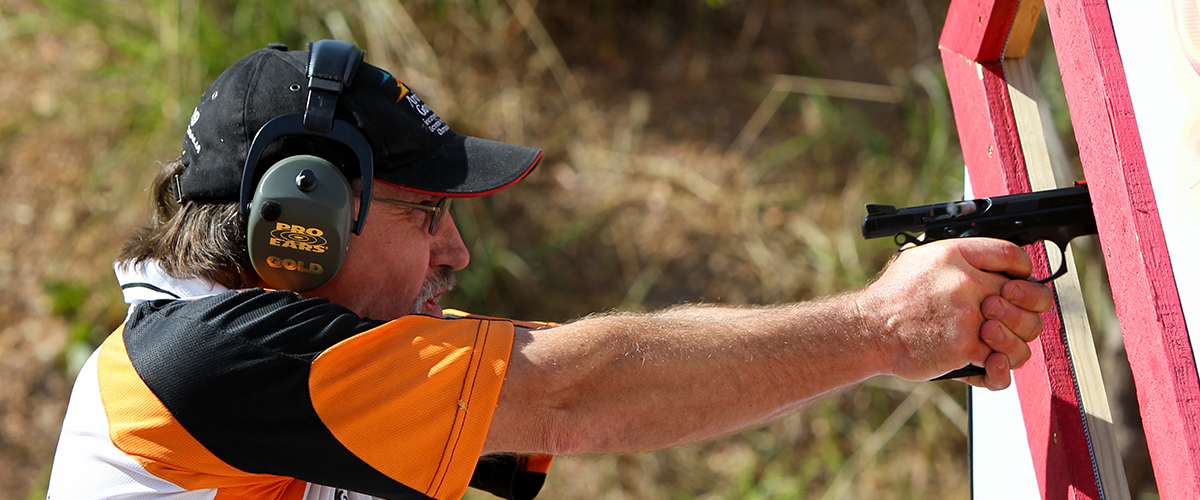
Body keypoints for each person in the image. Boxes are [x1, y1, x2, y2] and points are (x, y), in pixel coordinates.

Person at [46, 41, 1053, 500]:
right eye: (427, 213)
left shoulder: (286, 360)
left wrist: (885, 344)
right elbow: (578, 393)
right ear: (303, 218)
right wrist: (882, 330)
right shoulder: (199, 367)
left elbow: (624, 382)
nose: (455, 251)